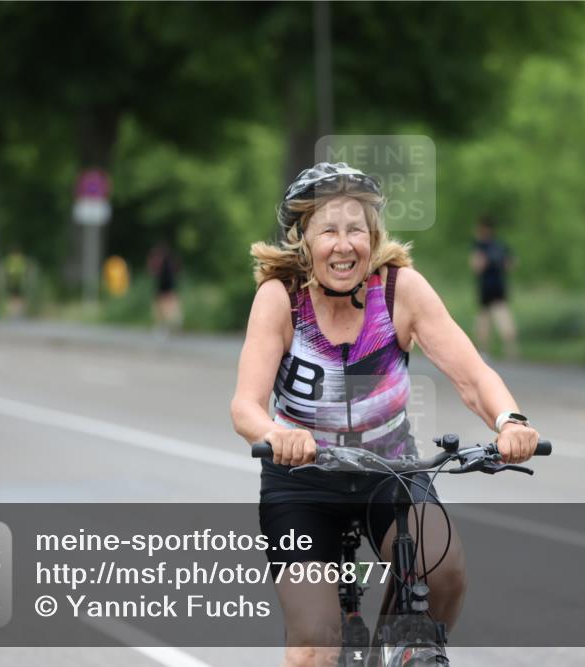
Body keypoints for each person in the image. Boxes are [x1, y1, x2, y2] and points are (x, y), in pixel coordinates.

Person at [230, 162, 540, 667]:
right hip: (302, 481)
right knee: (313, 645)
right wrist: (275, 434)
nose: (344, 245)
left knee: (444, 571)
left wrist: (510, 420)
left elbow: (472, 376)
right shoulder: (280, 298)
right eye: (329, 230)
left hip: (389, 470)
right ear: (303, 239)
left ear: (373, 236)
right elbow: (245, 406)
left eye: (357, 229)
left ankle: (396, 650)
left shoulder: (400, 291)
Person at [470, 216, 517, 358]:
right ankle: (510, 348)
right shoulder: (500, 246)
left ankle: (483, 349)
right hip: (500, 286)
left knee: (484, 320)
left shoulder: (480, 246)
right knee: (503, 316)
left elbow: (476, 266)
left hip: (486, 287)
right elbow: (511, 264)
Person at [147, 240, 181, 333]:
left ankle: (164, 326)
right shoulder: (170, 262)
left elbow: (153, 271)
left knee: (161, 309)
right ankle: (171, 325)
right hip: (168, 288)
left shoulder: (162, 263)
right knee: (169, 308)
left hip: (164, 288)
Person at [4, 248, 28, 319]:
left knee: (15, 296)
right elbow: (23, 270)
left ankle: (16, 311)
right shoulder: (17, 259)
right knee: (15, 296)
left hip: (16, 281)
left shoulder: (12, 259)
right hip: (14, 281)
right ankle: (15, 312)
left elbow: (7, 270)